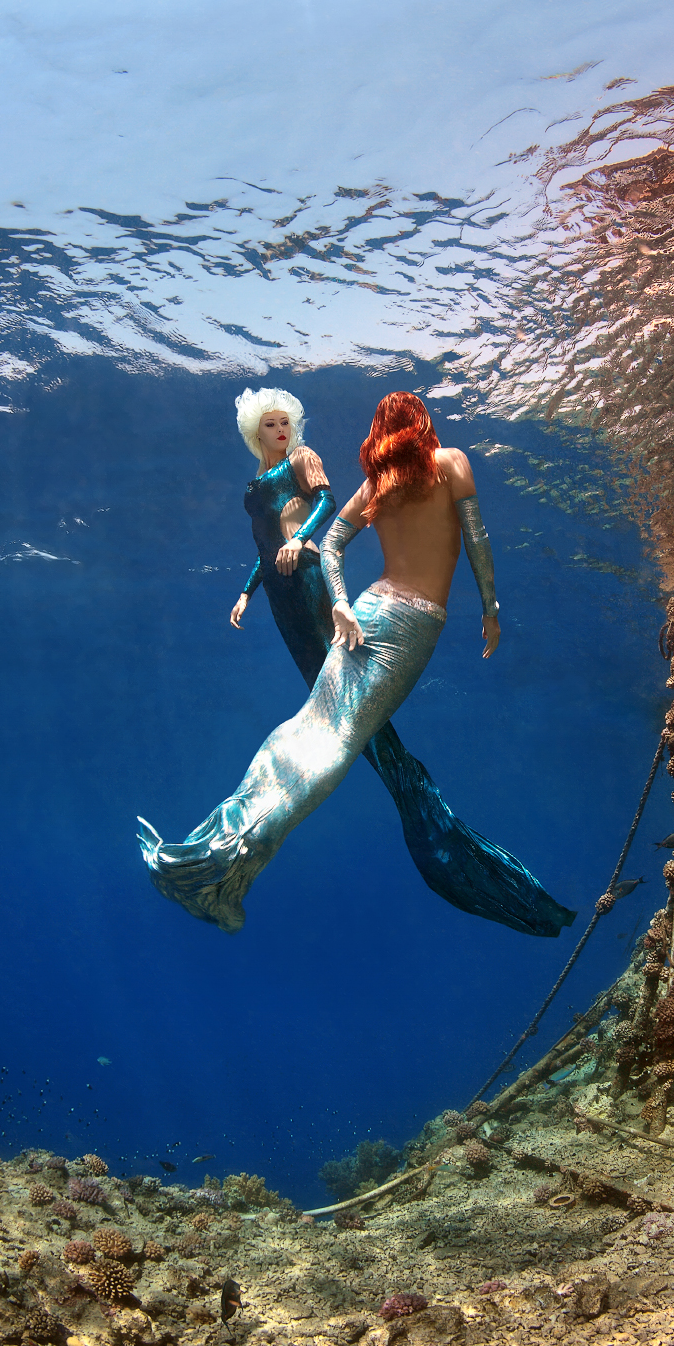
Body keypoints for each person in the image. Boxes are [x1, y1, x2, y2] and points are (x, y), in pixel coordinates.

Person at [137, 389, 575, 937]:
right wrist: (490, 608)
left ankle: (212, 844)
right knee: (339, 743)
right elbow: (478, 539)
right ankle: (226, 866)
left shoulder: (379, 484)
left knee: (310, 725)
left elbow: (335, 540)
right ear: (422, 423)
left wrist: (343, 601)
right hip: (413, 624)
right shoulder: (452, 462)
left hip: (369, 606)